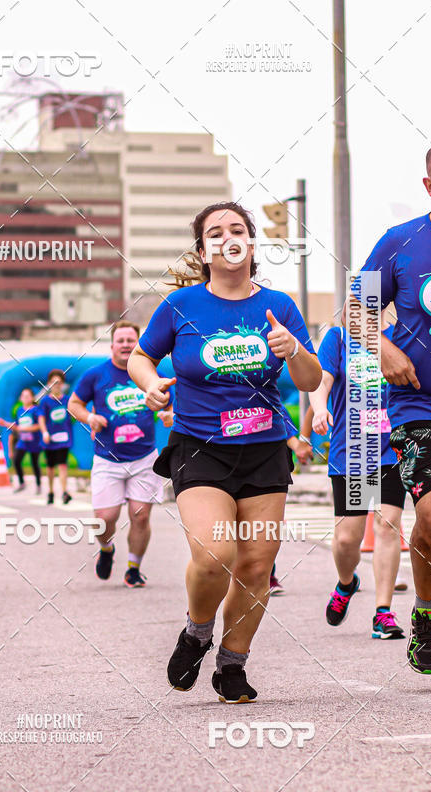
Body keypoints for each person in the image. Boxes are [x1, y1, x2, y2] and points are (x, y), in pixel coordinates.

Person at [128, 201, 321, 703]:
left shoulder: (279, 305)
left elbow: (311, 379)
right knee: (215, 552)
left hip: (264, 450)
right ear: (203, 249)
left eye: (238, 229)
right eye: (216, 232)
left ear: (251, 244)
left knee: (257, 565)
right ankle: (196, 631)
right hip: (201, 448)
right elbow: (140, 356)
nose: (228, 237)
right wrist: (150, 384)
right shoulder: (181, 306)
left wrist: (293, 349)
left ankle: (232, 664)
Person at [342, 135, 431, 684]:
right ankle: (428, 609)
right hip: (424, 405)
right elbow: (354, 308)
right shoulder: (400, 242)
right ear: (430, 186)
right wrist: (381, 346)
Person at [310, 312, 407, 639]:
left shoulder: (399, 334)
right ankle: (347, 583)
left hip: (390, 447)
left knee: (387, 524)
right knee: (348, 539)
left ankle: (383, 612)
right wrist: (321, 407)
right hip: (352, 451)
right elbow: (321, 380)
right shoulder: (338, 339)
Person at [68, 320, 174, 588]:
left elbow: (172, 403)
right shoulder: (96, 375)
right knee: (105, 519)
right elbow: (74, 404)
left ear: (137, 344)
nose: (126, 345)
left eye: (131, 340)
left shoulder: (150, 374)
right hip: (107, 459)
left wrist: (168, 414)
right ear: (112, 345)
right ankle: (106, 550)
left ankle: (133, 568)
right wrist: (89, 417)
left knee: (140, 515)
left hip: (144, 458)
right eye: (121, 340)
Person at [269, 404, 313, 596]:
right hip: (221, 461)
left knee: (265, 527)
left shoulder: (264, 390)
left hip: (266, 462)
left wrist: (298, 446)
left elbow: (281, 419)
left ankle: (267, 574)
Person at [38, 369, 73, 505]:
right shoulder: (45, 401)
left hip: (64, 438)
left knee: (63, 465)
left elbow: (73, 415)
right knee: (51, 467)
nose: (56, 385)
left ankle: (64, 492)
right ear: (49, 384)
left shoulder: (67, 400)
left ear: (62, 384)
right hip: (50, 439)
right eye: (53, 382)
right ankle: (51, 491)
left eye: (58, 382)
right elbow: (41, 418)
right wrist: (44, 432)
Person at [0, 388, 42, 494]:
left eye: (28, 396)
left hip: (34, 441)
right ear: (21, 398)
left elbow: (39, 425)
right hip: (23, 441)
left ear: (32, 398)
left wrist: (25, 429)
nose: (25, 398)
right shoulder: (19, 411)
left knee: (34, 463)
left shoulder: (35, 410)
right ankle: (22, 482)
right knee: (16, 460)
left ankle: (38, 485)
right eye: (23, 396)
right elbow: (17, 426)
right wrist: (5, 423)